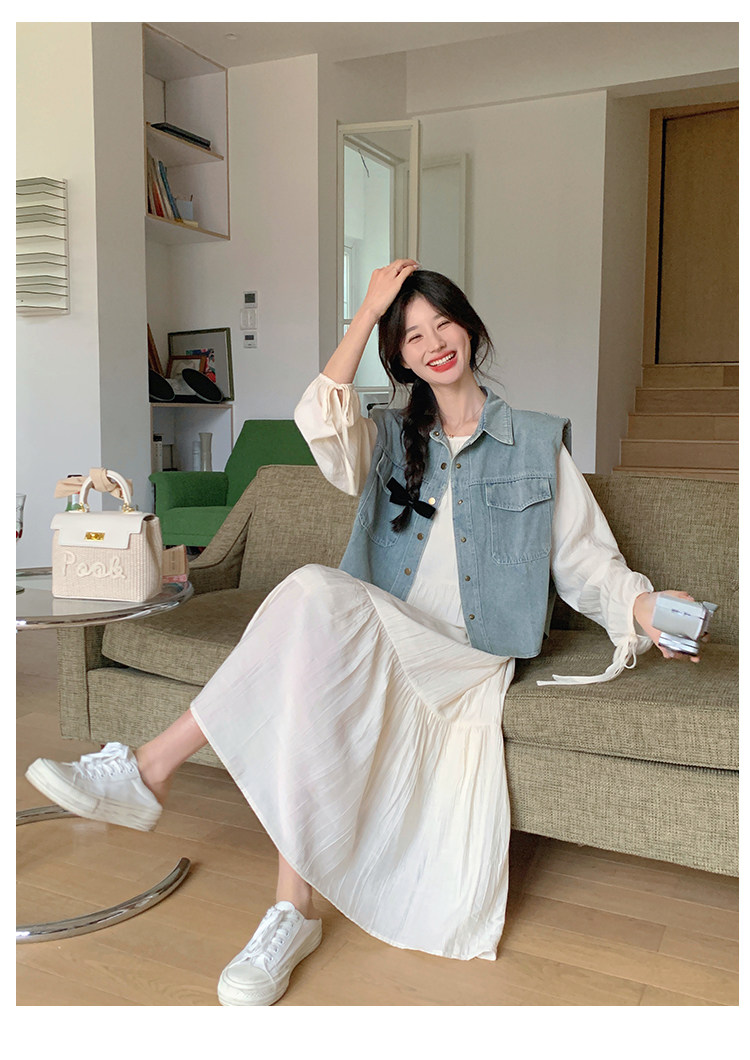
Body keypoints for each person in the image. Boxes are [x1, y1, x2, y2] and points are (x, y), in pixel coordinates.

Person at [26, 260, 702, 1006]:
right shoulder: (386, 439)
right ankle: (290, 912)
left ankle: (150, 770)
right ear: (399, 358)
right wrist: (364, 314)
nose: (433, 343)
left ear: (470, 329)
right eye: (410, 336)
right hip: (384, 633)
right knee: (312, 659)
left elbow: (587, 561)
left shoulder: (537, 444)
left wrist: (644, 609)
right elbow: (319, 420)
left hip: (466, 658)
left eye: (443, 323)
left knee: (312, 591)